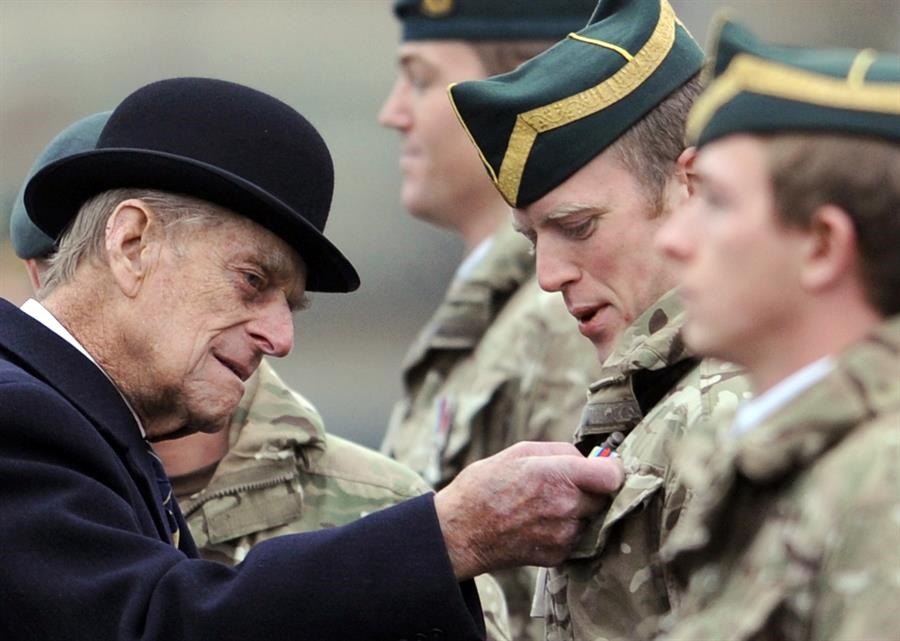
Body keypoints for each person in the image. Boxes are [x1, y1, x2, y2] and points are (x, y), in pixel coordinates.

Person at [0, 77, 625, 641]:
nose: (279, 337)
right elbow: (158, 624)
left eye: (290, 306)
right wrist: (449, 534)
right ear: (133, 243)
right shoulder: (19, 416)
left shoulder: (83, 421)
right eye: (251, 280)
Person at [448, 1, 750, 639]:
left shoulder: (734, 413)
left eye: (577, 226)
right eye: (532, 240)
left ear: (690, 186)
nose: (548, 275)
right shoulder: (656, 400)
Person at [651, 19, 900, 640]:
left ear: (822, 246)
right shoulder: (790, 457)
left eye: (717, 203)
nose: (673, 239)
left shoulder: (881, 483)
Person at [378, 3, 600, 636]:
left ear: (517, 96)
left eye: (420, 80)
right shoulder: (490, 311)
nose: (392, 113)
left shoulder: (560, 312)